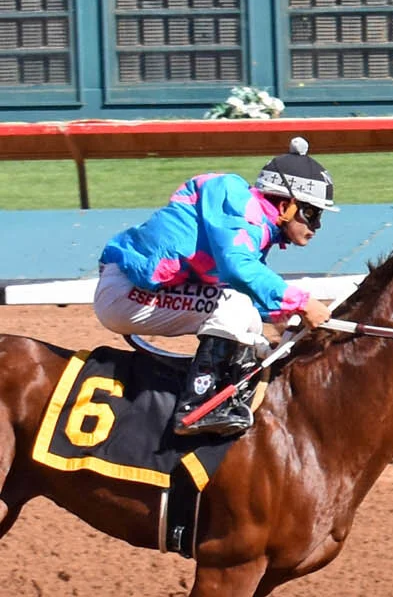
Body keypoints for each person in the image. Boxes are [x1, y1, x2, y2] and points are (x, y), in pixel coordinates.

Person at [95, 138, 337, 436]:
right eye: (311, 214)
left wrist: (282, 319)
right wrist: (302, 302)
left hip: (146, 292)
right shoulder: (239, 207)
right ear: (286, 205)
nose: (317, 226)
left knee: (244, 313)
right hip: (127, 293)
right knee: (232, 306)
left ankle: (228, 390)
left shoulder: (253, 224)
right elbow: (237, 269)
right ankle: (199, 405)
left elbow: (241, 282)